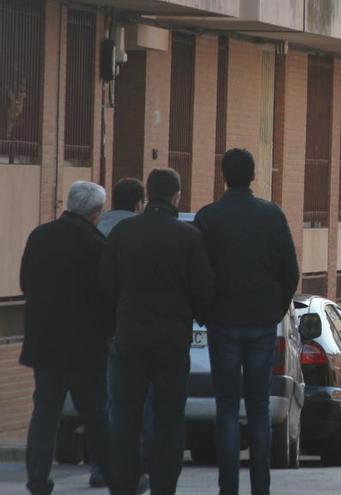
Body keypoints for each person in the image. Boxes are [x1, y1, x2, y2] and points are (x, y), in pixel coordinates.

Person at [102, 169, 214, 494]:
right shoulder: (188, 238)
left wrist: (113, 327)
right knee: (168, 419)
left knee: (125, 417)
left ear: (147, 195)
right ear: (177, 196)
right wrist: (200, 318)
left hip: (129, 340)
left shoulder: (123, 233)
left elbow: (105, 285)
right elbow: (203, 289)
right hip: (171, 343)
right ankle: (164, 484)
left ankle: (124, 483)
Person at [195, 148, 300, 495]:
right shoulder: (272, 216)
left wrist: (205, 312)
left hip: (222, 323)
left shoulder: (208, 217)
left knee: (226, 407)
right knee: (258, 409)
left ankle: (228, 488)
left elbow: (197, 274)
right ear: (253, 176)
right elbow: (291, 272)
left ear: (224, 175)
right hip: (261, 324)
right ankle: (261, 488)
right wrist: (276, 310)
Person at [19, 181, 113, 494]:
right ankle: (114, 475)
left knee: (45, 414)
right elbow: (106, 299)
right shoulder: (98, 246)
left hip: (45, 344)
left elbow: (26, 283)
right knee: (98, 415)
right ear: (96, 213)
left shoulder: (40, 236)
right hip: (85, 348)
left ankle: (37, 480)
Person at [93, 178, 152, 492]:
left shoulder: (95, 227)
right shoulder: (140, 232)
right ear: (139, 203)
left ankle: (99, 467)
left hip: (95, 329)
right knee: (132, 402)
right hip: (130, 329)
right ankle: (134, 468)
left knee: (100, 402)